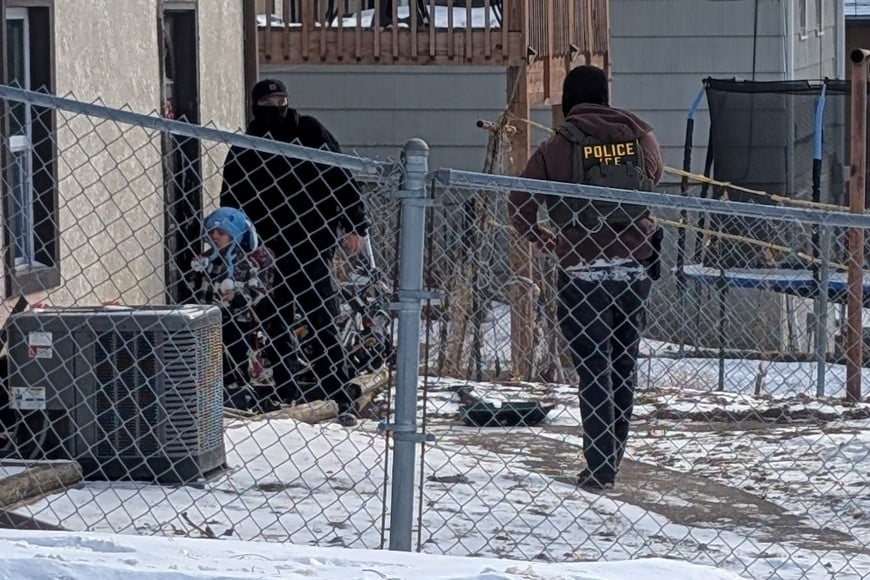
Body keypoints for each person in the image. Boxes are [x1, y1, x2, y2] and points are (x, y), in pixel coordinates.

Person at [508, 64, 664, 490]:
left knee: (594, 366)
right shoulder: (640, 136)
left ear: (569, 100)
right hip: (634, 269)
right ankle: (613, 453)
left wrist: (539, 237)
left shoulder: (556, 146)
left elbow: (520, 199)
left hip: (581, 269)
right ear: (605, 96)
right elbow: (653, 177)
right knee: (623, 362)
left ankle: (599, 466)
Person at [220, 78, 370, 427]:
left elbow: (340, 176)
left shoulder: (310, 132)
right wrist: (236, 242)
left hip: (312, 242)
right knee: (276, 321)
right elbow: (232, 198)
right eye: (269, 102)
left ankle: (334, 388)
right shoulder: (248, 146)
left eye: (281, 100)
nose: (277, 107)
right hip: (267, 249)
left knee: (321, 319)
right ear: (256, 106)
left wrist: (354, 223)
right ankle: (286, 391)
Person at [190, 207, 275, 407]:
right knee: (209, 356)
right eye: (212, 232)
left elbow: (257, 288)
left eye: (221, 233)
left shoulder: (244, 260)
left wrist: (238, 296)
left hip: (237, 319)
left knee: (235, 356)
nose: (215, 236)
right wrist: (195, 272)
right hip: (209, 317)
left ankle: (238, 393)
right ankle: (212, 393)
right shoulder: (208, 258)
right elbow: (195, 287)